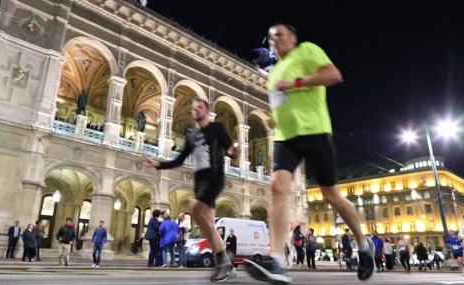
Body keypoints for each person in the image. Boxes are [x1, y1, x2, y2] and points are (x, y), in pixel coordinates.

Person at [244, 23, 375, 284]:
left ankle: (363, 244)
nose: (274, 39)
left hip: (315, 131)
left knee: (331, 195)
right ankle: (277, 260)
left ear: (292, 38)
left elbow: (334, 75)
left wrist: (296, 82)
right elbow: (281, 105)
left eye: (279, 34)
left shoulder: (307, 51)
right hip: (286, 139)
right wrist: (273, 120)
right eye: (270, 36)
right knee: (277, 188)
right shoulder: (272, 73)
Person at [142, 98, 239, 282]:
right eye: (194, 108)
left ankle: (222, 262)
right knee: (209, 227)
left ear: (206, 110)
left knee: (194, 208)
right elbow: (179, 160)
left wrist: (233, 151)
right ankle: (227, 264)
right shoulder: (192, 136)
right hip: (199, 182)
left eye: (199, 107)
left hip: (214, 177)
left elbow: (229, 148)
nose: (196, 110)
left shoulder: (217, 128)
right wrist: (158, 164)